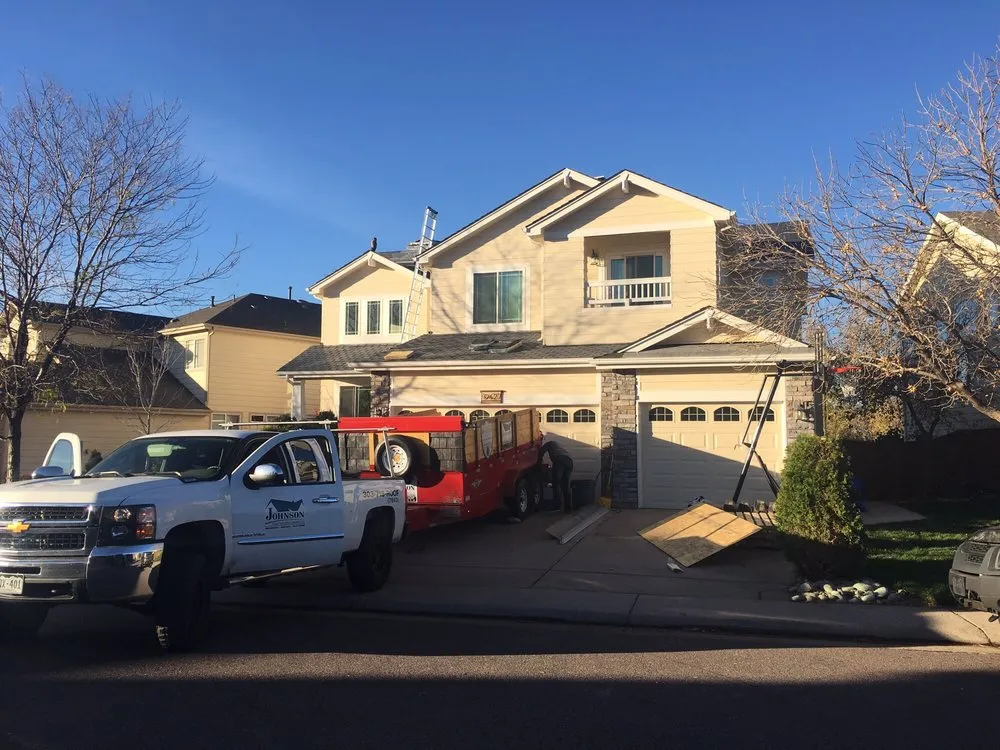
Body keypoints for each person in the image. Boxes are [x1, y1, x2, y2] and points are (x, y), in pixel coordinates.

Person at [538, 440, 574, 513]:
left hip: (560, 460)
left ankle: (556, 506)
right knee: (565, 485)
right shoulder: (559, 446)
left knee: (556, 483)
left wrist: (539, 461)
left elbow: (541, 452)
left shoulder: (548, 444)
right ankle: (568, 508)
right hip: (569, 461)